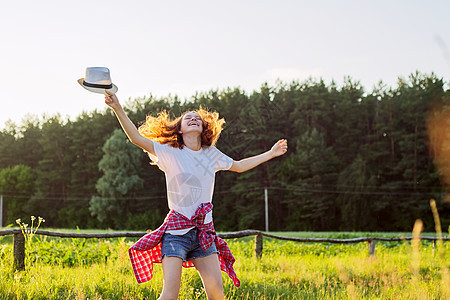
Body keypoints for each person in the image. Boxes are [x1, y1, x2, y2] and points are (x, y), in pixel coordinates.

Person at [104, 91, 288, 300]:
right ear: (180, 129)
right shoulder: (169, 151)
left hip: (204, 234)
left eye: (197, 118)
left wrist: (271, 153)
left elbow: (238, 166)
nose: (193, 119)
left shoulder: (211, 154)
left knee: (217, 295)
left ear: (203, 128)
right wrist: (117, 108)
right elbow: (136, 138)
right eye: (188, 118)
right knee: (170, 295)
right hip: (176, 233)